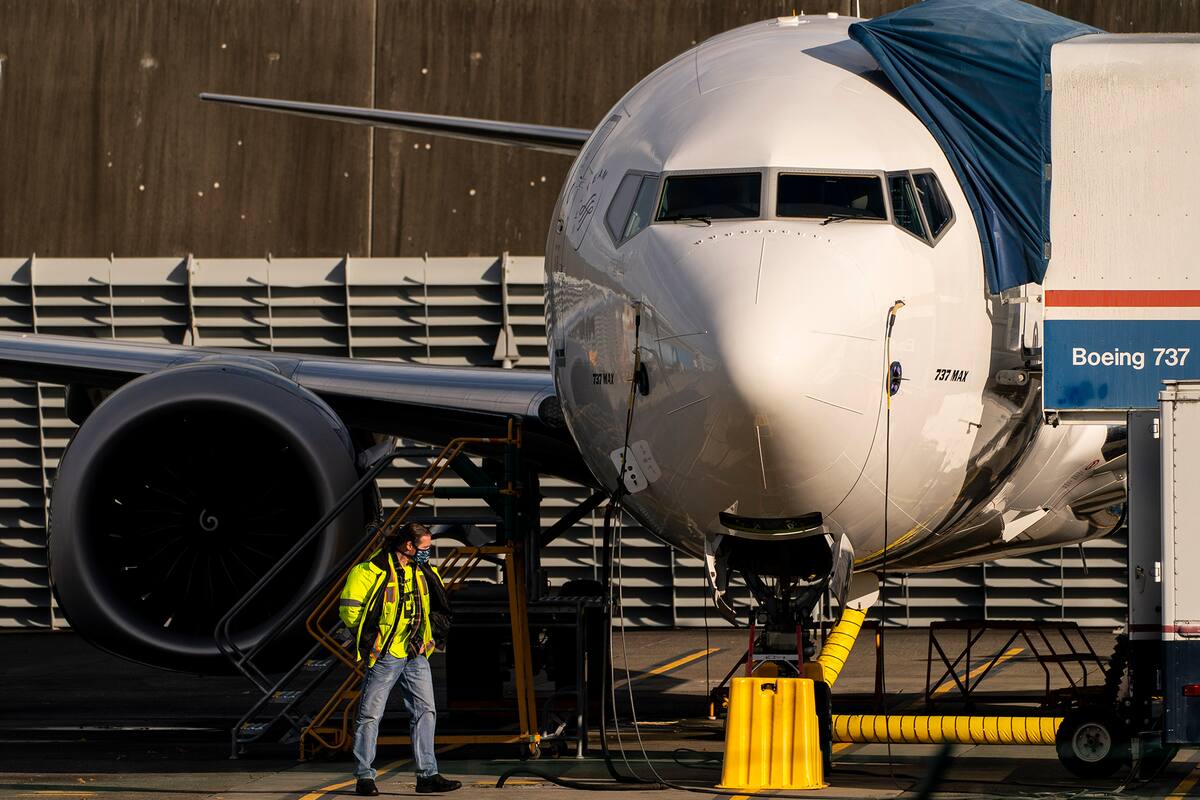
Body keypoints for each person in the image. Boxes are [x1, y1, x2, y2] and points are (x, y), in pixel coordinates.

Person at [339, 521, 459, 796]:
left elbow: (437, 605)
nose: (428, 553)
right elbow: (350, 610)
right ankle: (364, 777)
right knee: (370, 714)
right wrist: (373, 638)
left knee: (426, 711)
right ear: (409, 545)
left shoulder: (423, 571)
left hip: (415, 652)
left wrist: (428, 639)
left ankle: (427, 775)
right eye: (425, 547)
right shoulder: (369, 571)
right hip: (386, 653)